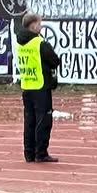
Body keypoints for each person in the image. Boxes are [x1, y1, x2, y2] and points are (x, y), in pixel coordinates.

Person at [15, 12, 62, 163]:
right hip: (41, 87)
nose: (41, 27)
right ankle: (41, 153)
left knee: (29, 122)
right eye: (39, 24)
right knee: (43, 121)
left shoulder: (19, 42)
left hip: (27, 86)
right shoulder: (40, 43)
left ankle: (29, 153)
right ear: (33, 25)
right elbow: (55, 61)